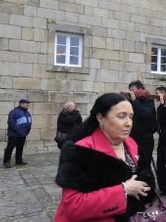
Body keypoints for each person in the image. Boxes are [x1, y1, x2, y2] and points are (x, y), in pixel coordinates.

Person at [54, 93, 155, 222]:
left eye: (131, 117)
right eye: (121, 116)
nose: (129, 123)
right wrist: (123, 190)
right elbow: (73, 206)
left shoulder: (131, 143)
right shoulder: (81, 151)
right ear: (100, 118)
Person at [127, 80, 157, 167]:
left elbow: (145, 114)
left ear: (140, 89)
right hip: (132, 138)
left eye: (133, 90)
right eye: (130, 90)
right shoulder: (130, 101)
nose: (131, 92)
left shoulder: (149, 101)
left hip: (145, 139)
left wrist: (134, 101)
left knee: (144, 165)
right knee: (132, 164)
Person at [3, 99, 32, 168]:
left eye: (28, 103)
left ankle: (18, 160)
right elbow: (11, 123)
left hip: (23, 134)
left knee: (20, 148)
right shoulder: (14, 112)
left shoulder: (27, 113)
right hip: (14, 134)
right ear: (21, 104)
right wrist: (19, 131)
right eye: (25, 103)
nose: (27, 104)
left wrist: (27, 131)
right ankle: (6, 161)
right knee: (10, 148)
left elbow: (29, 123)